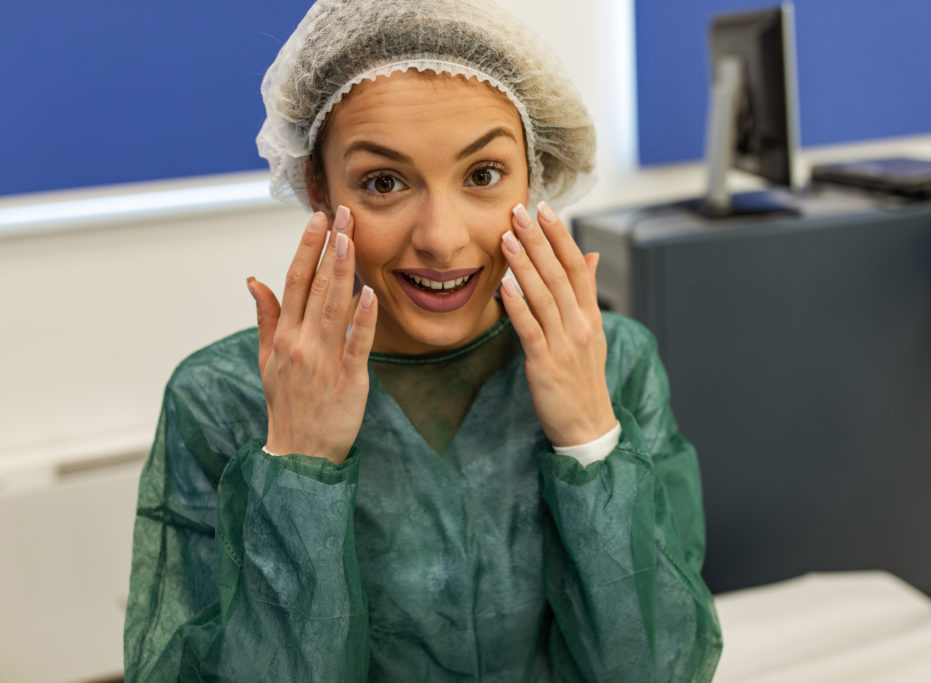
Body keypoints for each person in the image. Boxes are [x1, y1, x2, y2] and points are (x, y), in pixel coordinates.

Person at [123, 0, 722, 680]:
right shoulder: (222, 401)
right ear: (321, 188)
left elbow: (657, 668)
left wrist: (589, 439)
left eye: (484, 175)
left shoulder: (617, 364)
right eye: (384, 182)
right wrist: (298, 469)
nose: (440, 237)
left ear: (537, 172)